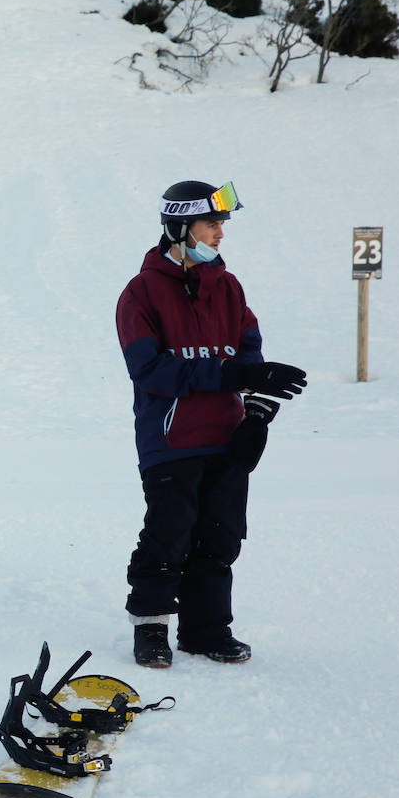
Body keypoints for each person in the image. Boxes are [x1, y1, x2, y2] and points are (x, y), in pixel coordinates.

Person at [115, 180, 306, 668]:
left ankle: (205, 630)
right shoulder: (140, 294)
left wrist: (256, 414)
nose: (220, 233)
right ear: (180, 227)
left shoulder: (229, 288)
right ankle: (152, 626)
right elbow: (150, 369)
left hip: (224, 435)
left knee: (221, 535)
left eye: (222, 224)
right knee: (169, 533)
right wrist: (228, 374)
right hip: (171, 439)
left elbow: (250, 356)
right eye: (212, 223)